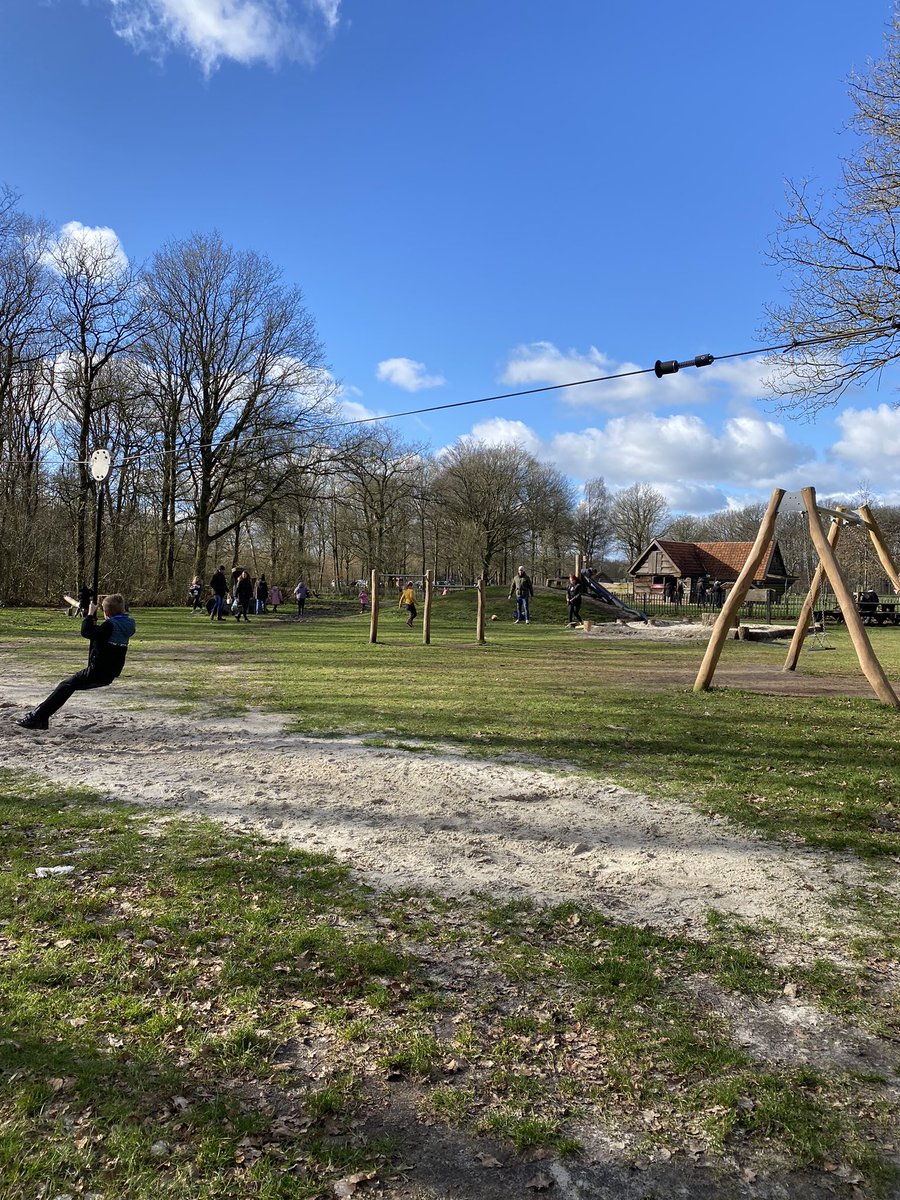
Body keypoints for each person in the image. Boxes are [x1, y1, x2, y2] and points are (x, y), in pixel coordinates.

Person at [16, 594, 136, 731]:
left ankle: (36, 718)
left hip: (97, 670)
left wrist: (90, 615)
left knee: (64, 686)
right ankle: (41, 718)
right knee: (67, 687)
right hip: (111, 671)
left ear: (106, 612)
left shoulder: (110, 626)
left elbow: (87, 632)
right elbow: (101, 633)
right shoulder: (129, 624)